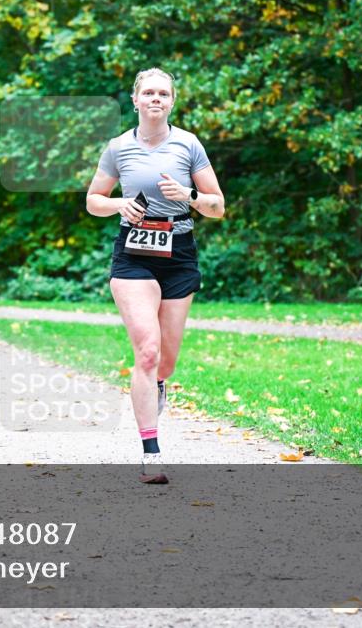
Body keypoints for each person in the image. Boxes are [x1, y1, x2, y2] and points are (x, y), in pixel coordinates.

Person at [86, 68, 225, 484]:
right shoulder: (118, 148)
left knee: (165, 360)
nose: (155, 99)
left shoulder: (189, 144)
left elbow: (217, 205)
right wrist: (120, 205)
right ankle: (151, 451)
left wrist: (191, 197)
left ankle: (158, 384)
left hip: (179, 252)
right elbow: (94, 200)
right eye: (148, 92)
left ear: (172, 101)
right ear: (135, 100)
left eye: (163, 93)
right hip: (134, 252)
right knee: (146, 350)